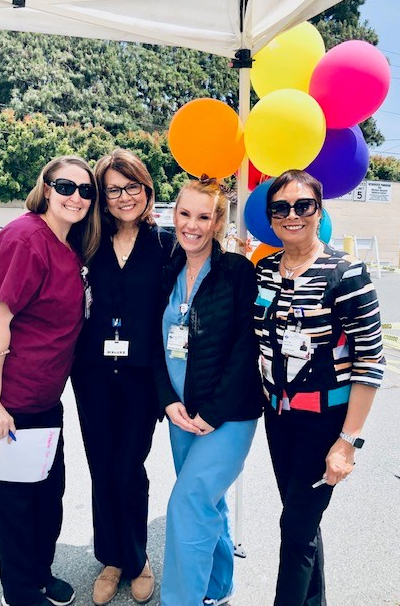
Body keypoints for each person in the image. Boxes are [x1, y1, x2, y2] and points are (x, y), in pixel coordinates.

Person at [0, 155, 101, 606]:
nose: (76, 197)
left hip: (39, 397)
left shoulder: (66, 242)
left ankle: (39, 572)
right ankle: (18, 591)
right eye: (66, 186)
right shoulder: (24, 239)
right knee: (15, 503)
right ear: (47, 188)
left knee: (47, 491)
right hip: (2, 397)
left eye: (86, 191)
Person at [254, 169, 385, 606]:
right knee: (302, 524)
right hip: (279, 419)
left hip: (323, 421)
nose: (292, 215)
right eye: (281, 208)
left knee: (294, 529)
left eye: (302, 206)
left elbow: (370, 363)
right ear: (271, 217)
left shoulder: (346, 274)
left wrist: (347, 442)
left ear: (319, 211)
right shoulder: (267, 269)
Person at [70, 149, 173, 606]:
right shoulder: (85, 242)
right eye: (113, 189)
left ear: (147, 190)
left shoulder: (166, 244)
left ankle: (137, 560)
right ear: (102, 196)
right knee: (101, 466)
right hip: (91, 373)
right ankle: (111, 557)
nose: (124, 196)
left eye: (133, 186)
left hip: (140, 378)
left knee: (129, 466)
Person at [154, 176, 263, 606]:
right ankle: (219, 585)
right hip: (180, 413)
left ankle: (179, 600)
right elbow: (151, 342)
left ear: (218, 221)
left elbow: (245, 346)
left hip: (227, 416)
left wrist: (212, 412)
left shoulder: (237, 271)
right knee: (206, 503)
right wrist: (168, 400)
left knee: (187, 502)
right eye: (184, 214)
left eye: (203, 216)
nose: (192, 225)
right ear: (174, 214)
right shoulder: (168, 271)